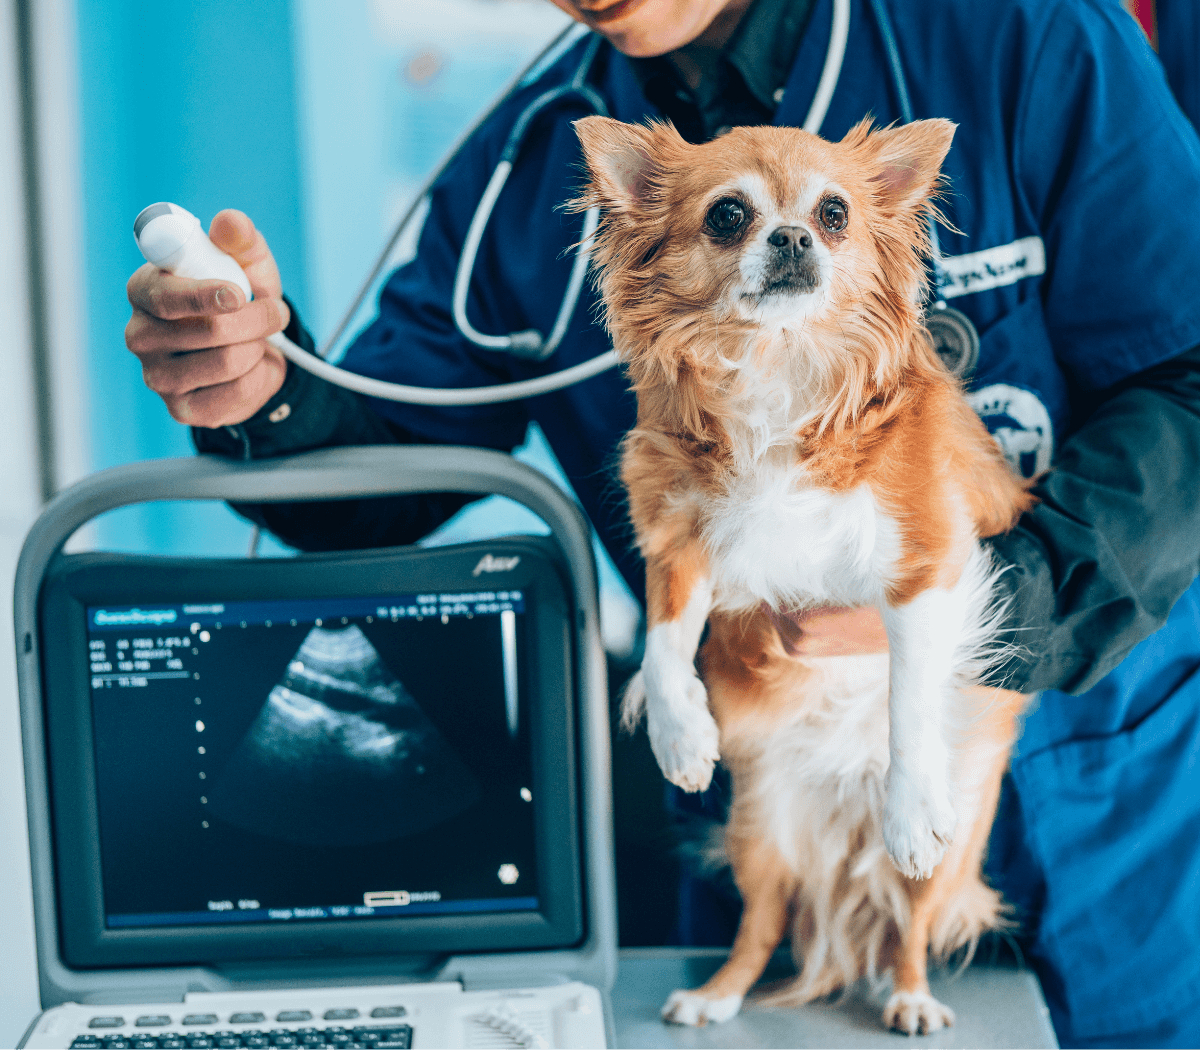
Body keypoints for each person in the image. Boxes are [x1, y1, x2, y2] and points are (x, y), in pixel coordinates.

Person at [124, 0, 1200, 1045]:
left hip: (1089, 798)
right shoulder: (528, 165)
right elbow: (381, 470)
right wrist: (263, 387)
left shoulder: (1022, 36)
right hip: (770, 796)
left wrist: (998, 594)